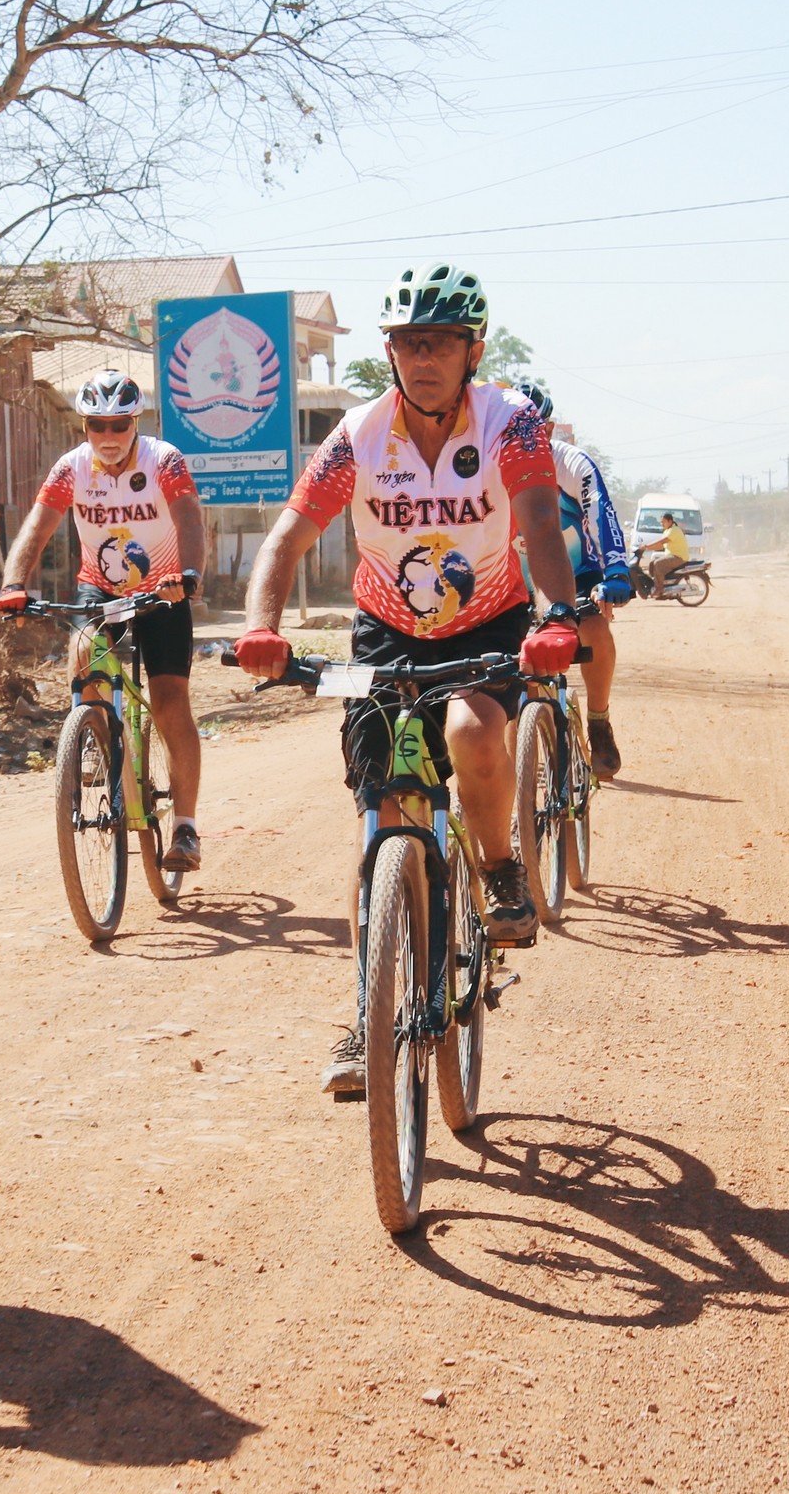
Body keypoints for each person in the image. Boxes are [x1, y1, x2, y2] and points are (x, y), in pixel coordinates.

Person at [233, 265, 583, 1097]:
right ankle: (369, 1013)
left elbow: (537, 520)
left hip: (488, 623)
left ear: (473, 351)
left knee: (470, 732)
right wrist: (261, 627)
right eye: (405, 343)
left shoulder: (512, 422)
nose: (421, 358)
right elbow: (286, 536)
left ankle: (498, 868)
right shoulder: (358, 433)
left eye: (439, 343)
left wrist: (558, 616)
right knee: (383, 821)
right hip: (385, 633)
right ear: (389, 354)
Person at [0, 369, 209, 874]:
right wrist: (12, 584)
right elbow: (37, 527)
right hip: (102, 586)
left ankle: (185, 826)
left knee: (170, 701)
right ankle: (91, 739)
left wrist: (189, 574)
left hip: (162, 590)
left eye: (118, 425)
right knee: (85, 650)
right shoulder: (71, 468)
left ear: (135, 423)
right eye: (97, 426)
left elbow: (190, 519)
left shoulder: (165, 461)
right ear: (84, 426)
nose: (108, 437)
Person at [518, 384, 629, 781]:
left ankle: (598, 721)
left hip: (574, 576)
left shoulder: (571, 464)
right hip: (513, 585)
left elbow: (602, 513)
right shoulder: (481, 465)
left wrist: (616, 570)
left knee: (594, 628)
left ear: (547, 428)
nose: (524, 435)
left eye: (534, 427)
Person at [636, 510, 691, 598]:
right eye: (661, 522)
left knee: (658, 564)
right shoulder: (667, 531)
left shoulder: (674, 530)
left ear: (670, 521)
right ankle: (655, 585)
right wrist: (646, 549)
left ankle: (659, 588)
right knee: (652, 563)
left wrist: (646, 546)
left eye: (663, 522)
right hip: (672, 556)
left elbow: (661, 542)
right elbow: (660, 546)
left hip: (678, 557)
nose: (662, 524)